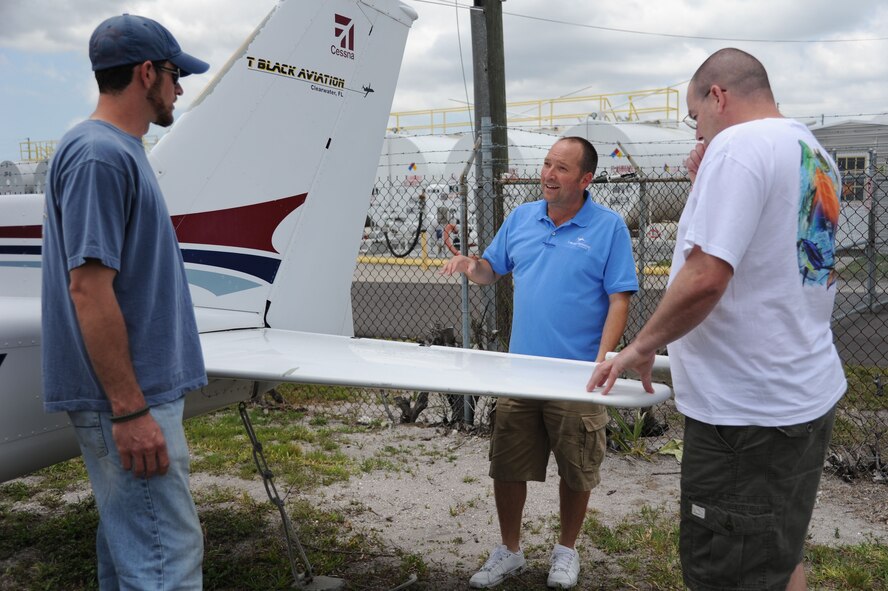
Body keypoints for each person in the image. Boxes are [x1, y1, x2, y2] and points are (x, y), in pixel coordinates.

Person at [588, 48, 846, 591]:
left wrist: (641, 346)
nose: (697, 130)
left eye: (694, 115)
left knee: (726, 571)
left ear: (718, 96)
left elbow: (707, 274)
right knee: (778, 554)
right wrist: (707, 180)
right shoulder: (813, 151)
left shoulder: (739, 146)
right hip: (800, 393)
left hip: (745, 415)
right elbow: (779, 258)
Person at [41, 14, 210, 590]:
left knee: (133, 556)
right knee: (167, 566)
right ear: (146, 73)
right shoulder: (99, 155)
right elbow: (88, 289)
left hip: (133, 397)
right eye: (174, 75)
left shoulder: (116, 150)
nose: (179, 89)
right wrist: (131, 410)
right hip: (129, 402)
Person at [442, 136, 638, 589]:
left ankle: (566, 552)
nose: (549, 174)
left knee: (577, 467)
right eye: (547, 164)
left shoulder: (608, 228)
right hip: (521, 373)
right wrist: (470, 266)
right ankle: (509, 551)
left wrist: (603, 360)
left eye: (562, 169)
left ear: (586, 179)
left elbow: (619, 299)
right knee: (508, 464)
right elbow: (491, 271)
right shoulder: (521, 218)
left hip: (577, 378)